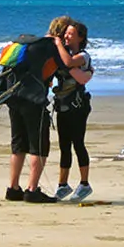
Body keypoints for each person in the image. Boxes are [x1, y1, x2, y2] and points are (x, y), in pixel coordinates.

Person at [3, 17, 70, 204]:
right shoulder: (52, 46)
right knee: (38, 146)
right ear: (62, 33)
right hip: (33, 101)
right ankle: (32, 190)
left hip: (14, 98)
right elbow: (66, 65)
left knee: (18, 144)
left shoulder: (31, 45)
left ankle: (13, 188)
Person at [51, 21, 94, 201]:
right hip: (62, 105)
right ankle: (63, 185)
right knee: (64, 146)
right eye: (65, 34)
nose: (66, 37)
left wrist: (57, 43)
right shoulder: (64, 53)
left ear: (80, 37)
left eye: (70, 34)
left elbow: (69, 63)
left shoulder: (83, 56)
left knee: (78, 144)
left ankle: (84, 184)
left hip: (78, 106)